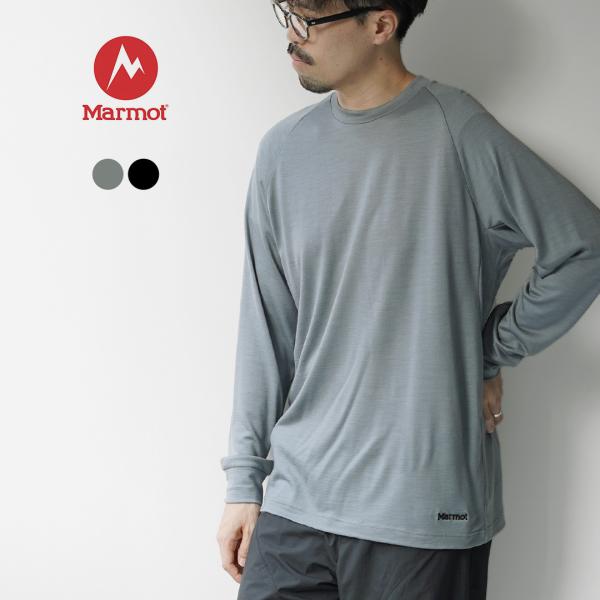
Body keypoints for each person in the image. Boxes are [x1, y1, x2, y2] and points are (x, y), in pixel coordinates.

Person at [216, 1, 600, 598]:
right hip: (297, 503)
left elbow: (583, 245)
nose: (292, 37)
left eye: (310, 20)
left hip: (421, 506)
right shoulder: (283, 151)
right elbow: (266, 328)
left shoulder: (459, 130)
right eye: (287, 13)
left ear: (380, 25)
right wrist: (244, 481)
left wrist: (487, 350)